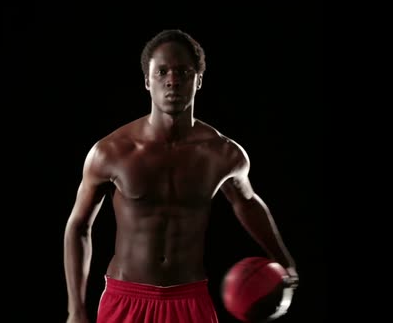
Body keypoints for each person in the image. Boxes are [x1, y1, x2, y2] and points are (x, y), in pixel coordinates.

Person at [63, 29, 299, 323]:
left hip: (189, 299)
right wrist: (76, 309)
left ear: (198, 80)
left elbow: (247, 202)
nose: (172, 80)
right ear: (147, 81)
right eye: (161, 72)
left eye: (183, 71)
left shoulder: (222, 153)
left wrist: (284, 260)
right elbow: (79, 226)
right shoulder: (111, 152)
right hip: (126, 297)